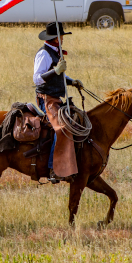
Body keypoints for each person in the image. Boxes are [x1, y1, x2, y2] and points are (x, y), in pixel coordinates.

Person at [33, 22, 83, 183]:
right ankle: (53, 169)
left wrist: (71, 81)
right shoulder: (44, 54)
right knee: (61, 128)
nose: (63, 38)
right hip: (47, 100)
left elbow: (57, 76)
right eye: (61, 36)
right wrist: (56, 70)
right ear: (55, 38)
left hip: (56, 98)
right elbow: (37, 79)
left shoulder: (55, 52)